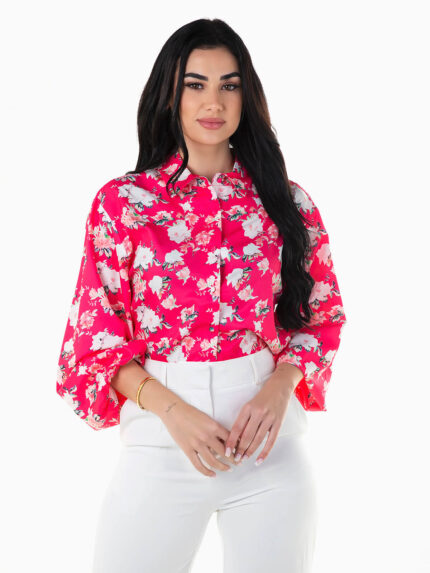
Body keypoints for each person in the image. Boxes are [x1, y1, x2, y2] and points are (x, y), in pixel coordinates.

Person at [56, 18, 347, 573]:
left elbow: (323, 315)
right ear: (171, 94)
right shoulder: (124, 204)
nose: (214, 102)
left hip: (269, 450)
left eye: (229, 85)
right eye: (196, 84)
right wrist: (173, 411)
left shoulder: (289, 204)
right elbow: (93, 340)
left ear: (246, 96)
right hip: (160, 442)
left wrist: (280, 387)